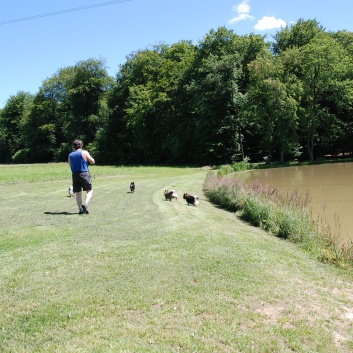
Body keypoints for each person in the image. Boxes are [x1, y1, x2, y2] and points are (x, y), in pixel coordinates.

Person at [68, 139, 95, 214]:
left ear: (74, 146)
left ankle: (80, 209)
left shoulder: (70, 155)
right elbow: (93, 162)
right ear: (81, 145)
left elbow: (70, 165)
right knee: (90, 190)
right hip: (84, 173)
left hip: (75, 175)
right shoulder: (84, 152)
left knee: (78, 194)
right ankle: (85, 204)